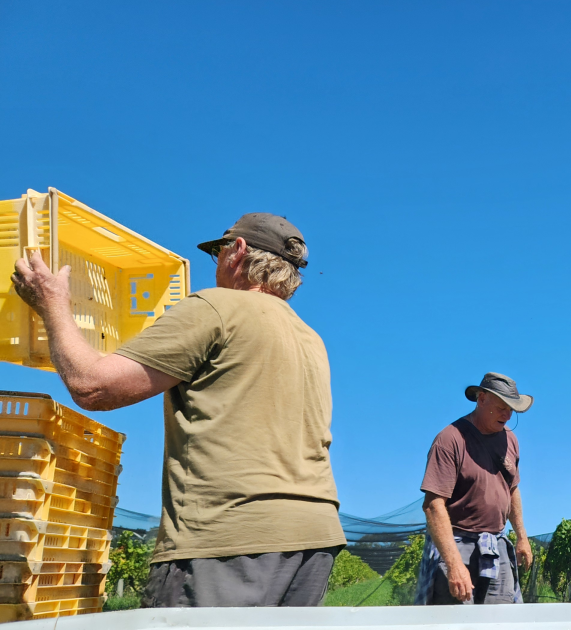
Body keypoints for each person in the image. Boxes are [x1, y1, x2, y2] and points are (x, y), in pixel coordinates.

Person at [11, 213, 344, 607]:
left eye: (218, 252)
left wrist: (52, 303)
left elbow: (94, 387)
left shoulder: (217, 307)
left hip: (230, 537)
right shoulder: (310, 338)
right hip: (315, 538)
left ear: (236, 251)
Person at [417, 372, 535, 605]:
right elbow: (433, 505)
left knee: (502, 619)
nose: (507, 415)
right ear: (481, 399)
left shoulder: (510, 440)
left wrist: (522, 537)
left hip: (497, 546)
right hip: (458, 545)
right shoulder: (450, 439)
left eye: (511, 409)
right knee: (457, 619)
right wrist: (453, 564)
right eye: (501, 407)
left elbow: (512, 489)